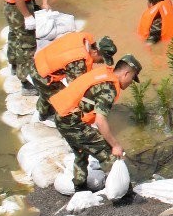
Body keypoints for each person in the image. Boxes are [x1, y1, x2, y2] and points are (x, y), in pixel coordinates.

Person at [49, 55, 142, 199]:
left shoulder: (104, 73)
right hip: (72, 122)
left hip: (62, 116)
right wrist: (115, 144)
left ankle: (80, 188)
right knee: (108, 153)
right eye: (132, 78)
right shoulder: (109, 87)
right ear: (126, 73)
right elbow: (100, 121)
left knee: (81, 151)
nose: (131, 83)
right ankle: (125, 196)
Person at [33, 32, 116, 120]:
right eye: (102, 59)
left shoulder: (81, 39)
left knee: (47, 93)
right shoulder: (78, 62)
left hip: (38, 60)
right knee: (62, 99)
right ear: (95, 52)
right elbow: (76, 88)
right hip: (41, 75)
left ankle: (43, 107)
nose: (101, 62)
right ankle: (44, 115)